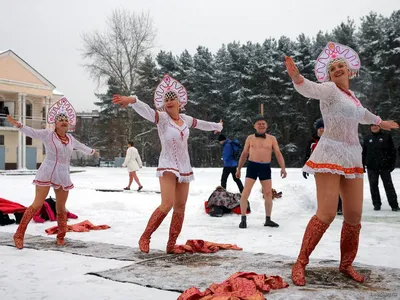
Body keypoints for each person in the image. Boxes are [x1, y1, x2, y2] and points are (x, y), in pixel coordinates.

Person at [285, 41, 399, 286]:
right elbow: (309, 89)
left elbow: (364, 114)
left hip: (353, 156)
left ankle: (346, 264)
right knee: (326, 214)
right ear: (329, 74)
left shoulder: (353, 98)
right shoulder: (329, 90)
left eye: (341, 66)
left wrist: (381, 121)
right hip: (329, 154)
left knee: (354, 215)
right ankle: (300, 262)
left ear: (350, 71)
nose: (337, 69)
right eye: (333, 67)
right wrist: (297, 78)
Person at [112, 74, 223, 254]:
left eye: (173, 99)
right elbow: (147, 110)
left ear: (180, 102)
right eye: (166, 100)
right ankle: (145, 236)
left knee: (180, 206)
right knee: (167, 203)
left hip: (184, 167)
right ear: (163, 104)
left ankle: (171, 245)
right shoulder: (162, 118)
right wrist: (132, 100)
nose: (170, 102)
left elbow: (201, 124)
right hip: (168, 164)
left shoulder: (185, 119)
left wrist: (216, 127)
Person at [7, 97, 96, 249]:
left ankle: (61, 236)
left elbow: (82, 147)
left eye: (66, 120)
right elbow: (32, 132)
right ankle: (19, 234)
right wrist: (19, 125)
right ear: (55, 123)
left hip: (63, 173)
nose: (64, 122)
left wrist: (92, 151)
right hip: (47, 170)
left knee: (61, 207)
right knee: (37, 204)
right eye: (60, 120)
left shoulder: (71, 139)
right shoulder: (48, 134)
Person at [236, 115, 287, 229]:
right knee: (246, 192)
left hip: (265, 167)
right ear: (254, 126)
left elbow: (278, 153)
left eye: (263, 123)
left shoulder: (271, 139)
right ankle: (243, 219)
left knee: (268, 193)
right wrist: (239, 168)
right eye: (259, 123)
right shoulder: (250, 138)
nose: (261, 125)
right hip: (252, 166)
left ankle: (268, 219)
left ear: (266, 126)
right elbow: (244, 154)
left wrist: (283, 168)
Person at [303, 119, 342, 215]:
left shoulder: (332, 140)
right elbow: (308, 155)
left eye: (323, 127)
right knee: (322, 189)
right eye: (320, 127)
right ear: (317, 129)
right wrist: (305, 168)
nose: (321, 129)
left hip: (331, 167)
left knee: (335, 188)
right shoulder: (312, 141)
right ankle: (324, 207)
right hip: (318, 169)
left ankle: (339, 207)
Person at [362, 124, 399, 211]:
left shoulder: (386, 136)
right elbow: (364, 153)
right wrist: (363, 165)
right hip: (371, 167)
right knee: (373, 186)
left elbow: (392, 151)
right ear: (370, 127)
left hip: (384, 166)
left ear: (379, 127)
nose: (374, 127)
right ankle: (376, 204)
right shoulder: (367, 138)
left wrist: (391, 165)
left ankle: (394, 205)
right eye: (372, 126)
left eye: (376, 126)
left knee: (388, 186)